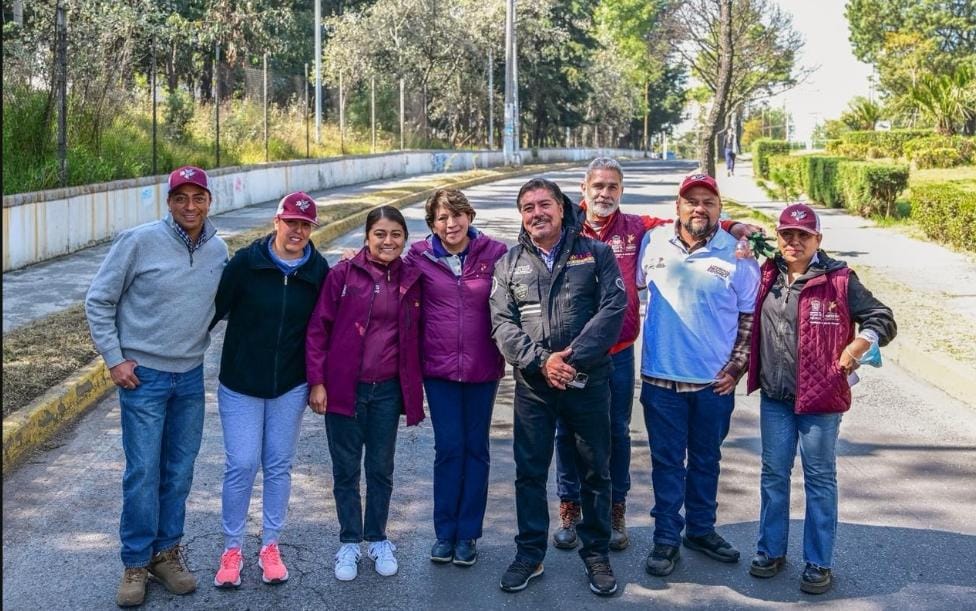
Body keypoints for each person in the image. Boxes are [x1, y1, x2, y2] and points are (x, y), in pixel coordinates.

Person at [553, 157, 763, 553]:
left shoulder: (641, 231)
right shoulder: (566, 226)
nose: (605, 194)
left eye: (613, 187)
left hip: (617, 353)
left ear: (621, 192)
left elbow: (746, 305)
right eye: (597, 186)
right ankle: (571, 508)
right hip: (572, 353)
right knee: (570, 432)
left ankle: (623, 514)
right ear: (583, 189)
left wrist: (734, 226)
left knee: (618, 434)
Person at [85, 165, 228, 608]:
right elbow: (99, 300)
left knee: (180, 471)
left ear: (209, 201)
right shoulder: (138, 241)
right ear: (168, 202)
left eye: (197, 197)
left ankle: (166, 554)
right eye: (180, 198)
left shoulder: (219, 250)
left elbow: (227, 306)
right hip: (142, 376)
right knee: (143, 472)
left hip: (189, 377)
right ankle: (134, 562)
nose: (190, 206)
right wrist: (114, 359)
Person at [745, 203, 896, 594]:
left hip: (821, 398)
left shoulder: (840, 280)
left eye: (803, 235)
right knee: (774, 475)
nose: (794, 242)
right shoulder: (767, 274)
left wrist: (859, 345)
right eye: (786, 235)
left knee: (819, 479)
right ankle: (770, 551)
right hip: (776, 398)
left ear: (818, 240)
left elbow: (881, 316)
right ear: (778, 238)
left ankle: (818, 561)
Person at [490, 177, 627, 596]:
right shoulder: (508, 263)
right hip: (534, 384)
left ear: (563, 208)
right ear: (522, 216)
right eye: (528, 207)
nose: (537, 213)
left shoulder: (597, 253)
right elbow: (502, 323)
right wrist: (540, 361)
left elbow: (613, 308)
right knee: (530, 473)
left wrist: (571, 358)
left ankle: (596, 554)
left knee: (594, 472)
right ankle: (530, 554)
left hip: (587, 380)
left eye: (544, 204)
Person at [637, 173, 760, 578]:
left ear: (720, 209)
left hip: (712, 385)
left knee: (706, 460)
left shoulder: (737, 253)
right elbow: (630, 288)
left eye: (708, 201)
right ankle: (666, 538)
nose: (699, 208)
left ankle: (701, 530)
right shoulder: (652, 242)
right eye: (692, 201)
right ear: (677, 207)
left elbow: (748, 315)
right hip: (661, 381)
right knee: (667, 463)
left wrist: (737, 366)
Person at [209, 192, 329, 588]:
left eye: (305, 225)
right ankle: (232, 549)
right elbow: (212, 312)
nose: (297, 230)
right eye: (291, 222)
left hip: (289, 387)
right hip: (240, 384)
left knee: (278, 465)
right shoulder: (246, 264)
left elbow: (322, 331)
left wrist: (318, 381)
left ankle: (270, 544)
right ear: (276, 222)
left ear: (312, 229)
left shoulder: (317, 270)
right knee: (242, 464)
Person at [305, 205, 424, 583]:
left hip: (387, 391)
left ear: (405, 239)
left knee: (380, 469)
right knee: (344, 470)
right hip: (344, 390)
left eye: (396, 234)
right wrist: (317, 383)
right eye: (380, 234)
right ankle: (349, 542)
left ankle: (377, 538)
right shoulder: (343, 274)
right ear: (367, 237)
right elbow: (318, 331)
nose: (388, 241)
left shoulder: (413, 277)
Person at [405, 189, 509, 567]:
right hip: (439, 369)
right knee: (449, 448)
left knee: (476, 449)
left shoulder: (495, 253)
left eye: (458, 215)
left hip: (483, 367)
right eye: (442, 218)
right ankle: (444, 533)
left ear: (470, 215)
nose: (451, 224)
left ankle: (468, 535)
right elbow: (386, 277)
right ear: (432, 224)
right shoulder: (418, 256)